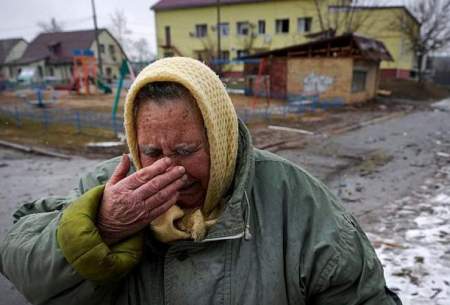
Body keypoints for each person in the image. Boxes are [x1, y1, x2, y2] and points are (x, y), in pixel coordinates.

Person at [0, 57, 401, 305]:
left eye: (187, 151)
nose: (168, 170)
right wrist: (101, 226)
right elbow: (20, 259)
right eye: (152, 153)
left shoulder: (296, 200)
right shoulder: (110, 185)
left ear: (222, 140)